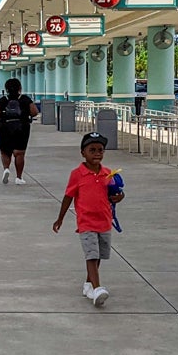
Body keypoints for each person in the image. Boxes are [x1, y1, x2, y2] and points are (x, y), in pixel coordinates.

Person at [52, 131, 124, 307]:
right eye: (92, 150)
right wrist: (60, 218)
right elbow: (68, 196)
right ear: (83, 153)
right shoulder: (77, 174)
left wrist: (120, 196)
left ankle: (89, 284)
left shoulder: (108, 174)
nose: (97, 153)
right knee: (91, 254)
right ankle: (98, 288)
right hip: (86, 222)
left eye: (100, 150)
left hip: (104, 221)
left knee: (99, 255)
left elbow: (115, 193)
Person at [0, 78, 38, 185]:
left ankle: (6, 169)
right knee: (19, 153)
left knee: (5, 151)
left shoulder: (3, 100)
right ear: (20, 88)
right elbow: (34, 112)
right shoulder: (25, 99)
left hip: (5, 128)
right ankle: (19, 177)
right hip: (22, 128)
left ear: (6, 89)